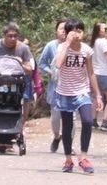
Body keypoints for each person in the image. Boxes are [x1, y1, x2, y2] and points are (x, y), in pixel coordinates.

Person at [53, 19, 103, 174]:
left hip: (82, 91)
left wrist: (98, 95)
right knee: (67, 128)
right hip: (64, 93)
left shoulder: (87, 50)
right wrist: (67, 44)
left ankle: (83, 157)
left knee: (87, 121)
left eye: (80, 31)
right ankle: (68, 159)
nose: (77, 34)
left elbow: (91, 73)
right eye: (74, 31)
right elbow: (58, 65)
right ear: (68, 34)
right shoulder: (62, 48)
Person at [0, 22, 35, 153]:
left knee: (15, 105)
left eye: (15, 36)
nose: (13, 39)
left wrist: (21, 63)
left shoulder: (23, 49)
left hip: (15, 84)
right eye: (10, 36)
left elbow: (30, 69)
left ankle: (12, 134)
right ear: (4, 35)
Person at [38, 19, 68, 153]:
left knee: (71, 116)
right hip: (55, 87)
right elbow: (42, 63)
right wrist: (50, 72)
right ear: (56, 31)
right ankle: (57, 136)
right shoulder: (51, 46)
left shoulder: (76, 47)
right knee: (56, 117)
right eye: (61, 29)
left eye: (66, 29)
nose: (64, 31)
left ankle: (69, 144)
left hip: (71, 87)